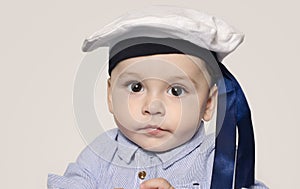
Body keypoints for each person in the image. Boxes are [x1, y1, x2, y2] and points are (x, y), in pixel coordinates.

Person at [48, 6, 268, 189]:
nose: (153, 107)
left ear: (208, 104)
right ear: (110, 96)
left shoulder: (220, 159)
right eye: (136, 87)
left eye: (176, 91)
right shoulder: (100, 155)